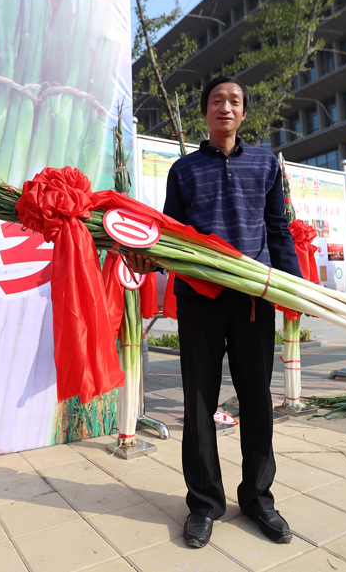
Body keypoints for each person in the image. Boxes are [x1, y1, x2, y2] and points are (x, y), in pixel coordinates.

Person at [128, 76, 302, 548]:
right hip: (199, 299)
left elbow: (278, 227)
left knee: (257, 400)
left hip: (253, 298)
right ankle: (204, 504)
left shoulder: (265, 163)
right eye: (217, 101)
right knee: (199, 402)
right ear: (205, 111)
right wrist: (147, 258)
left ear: (244, 112)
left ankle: (258, 499)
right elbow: (171, 232)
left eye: (234, 101)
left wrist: (296, 289)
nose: (225, 107)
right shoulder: (183, 170)